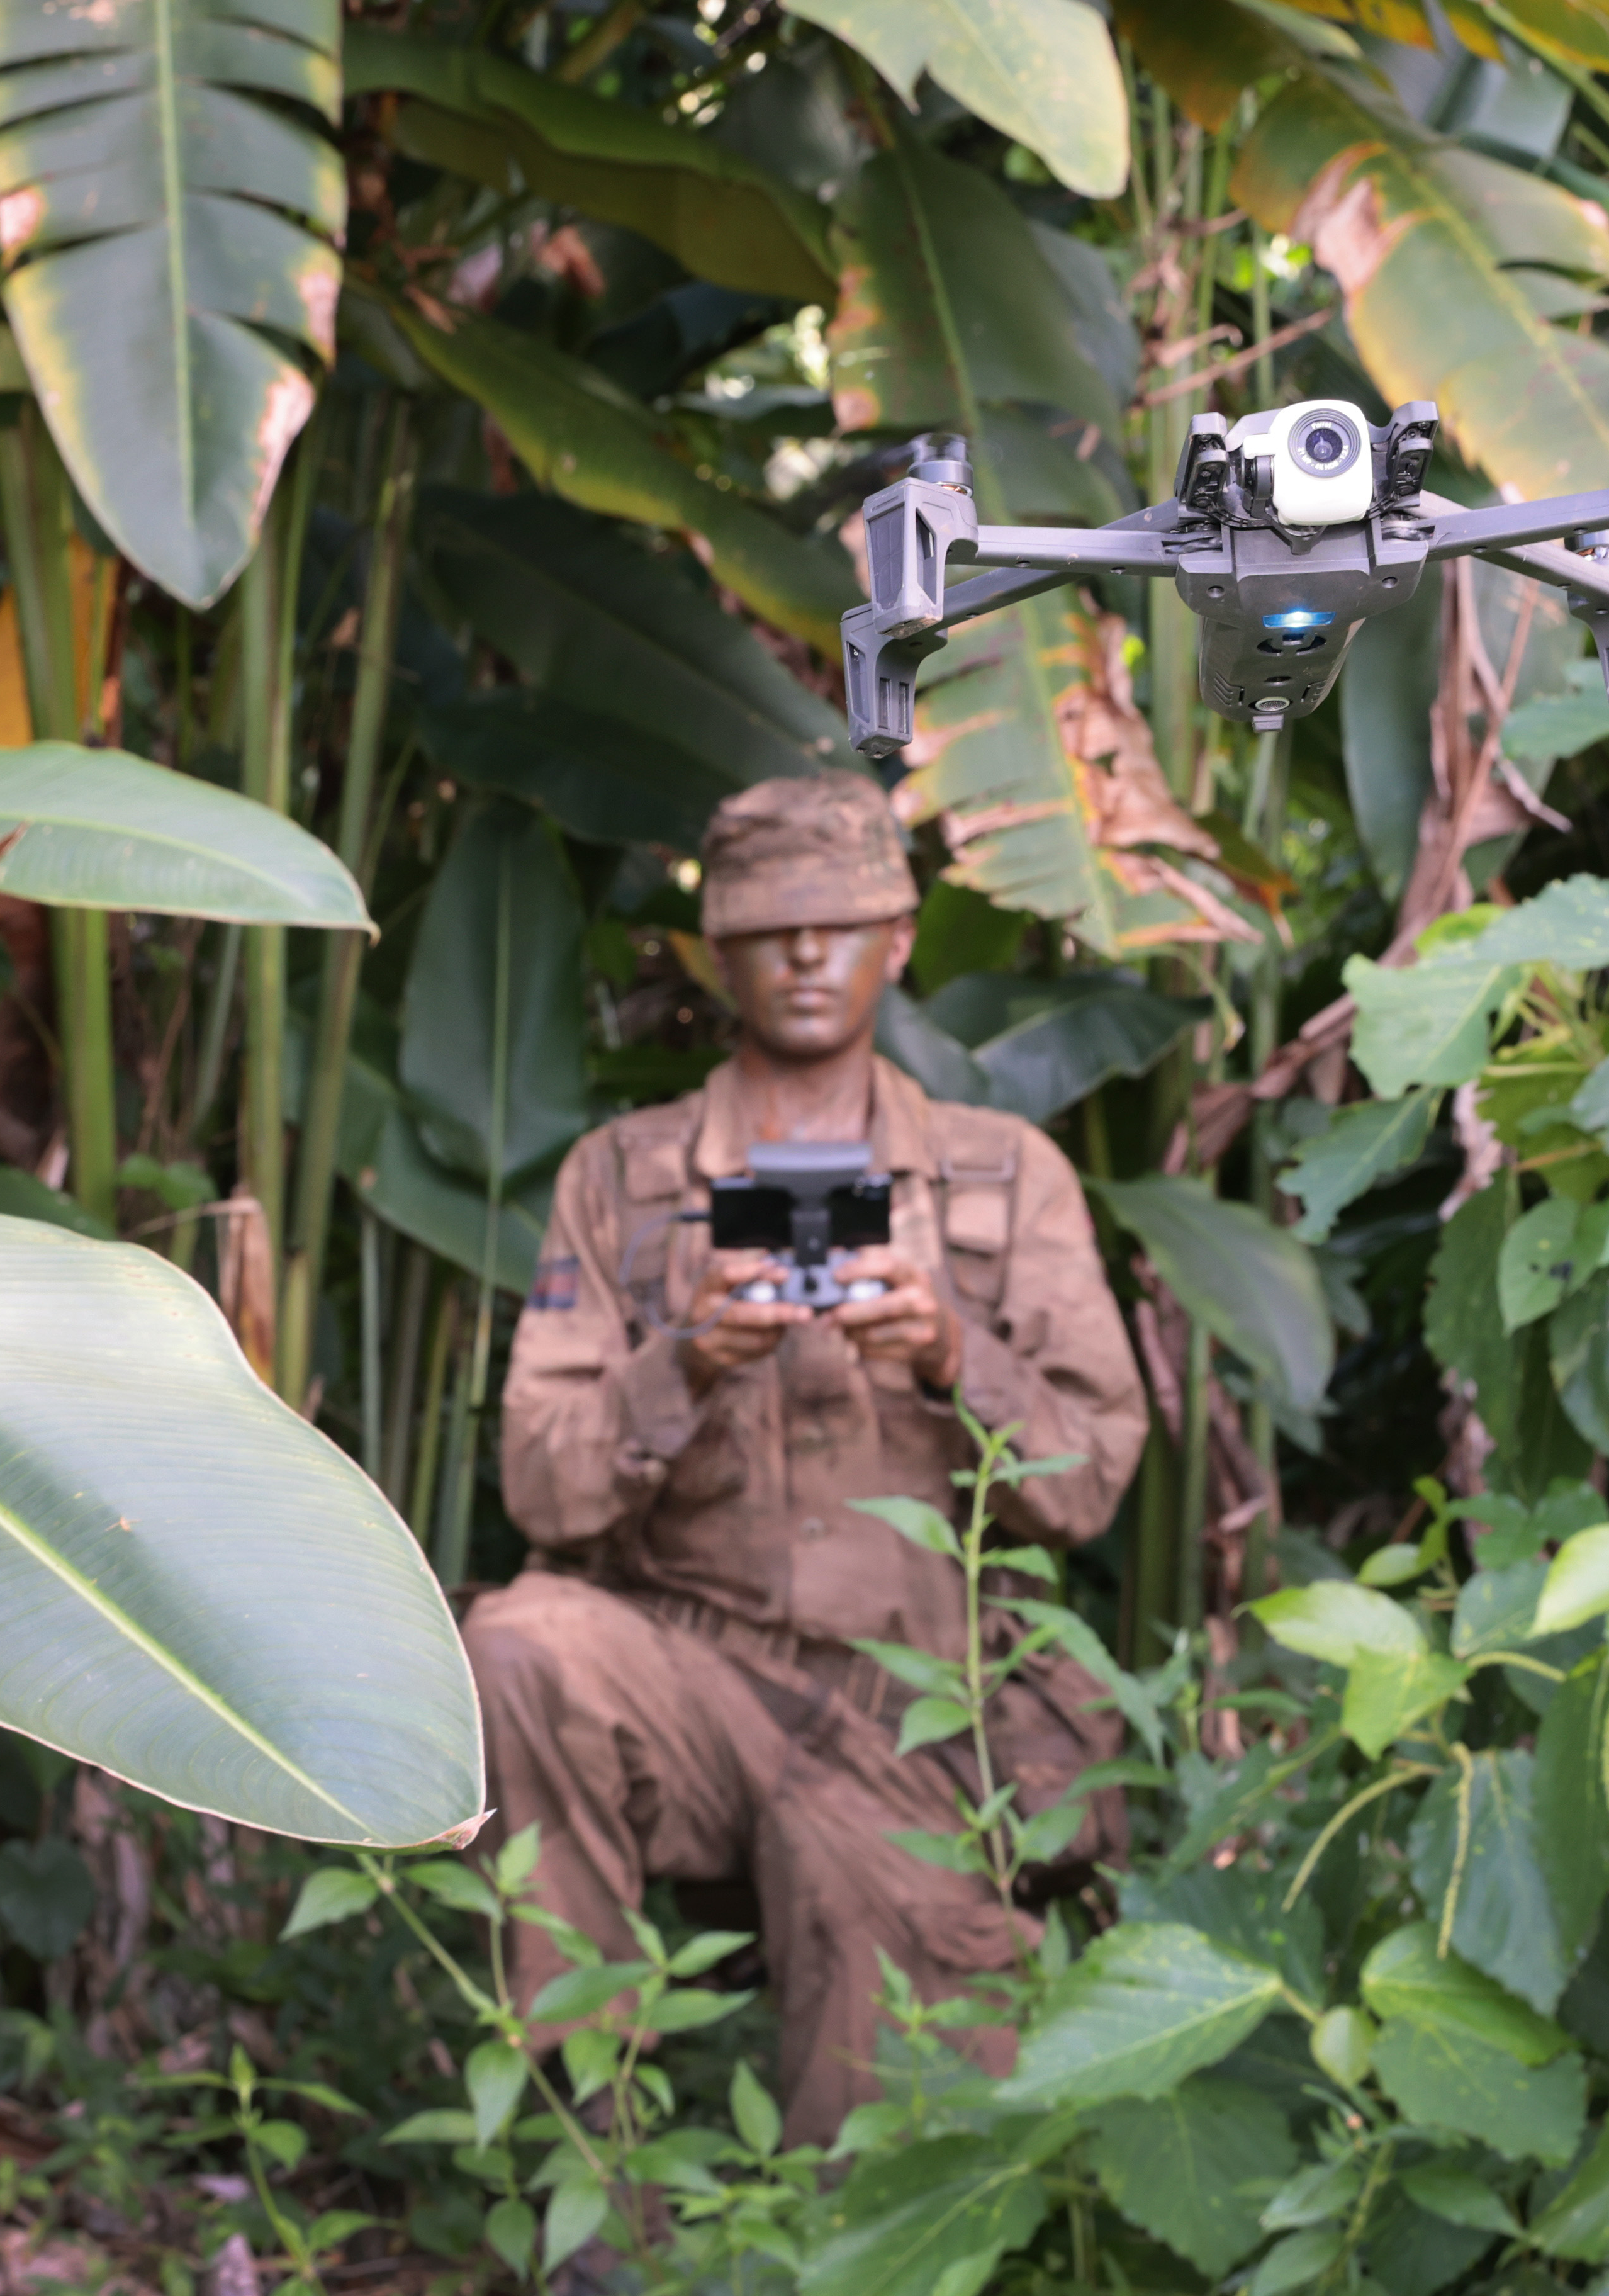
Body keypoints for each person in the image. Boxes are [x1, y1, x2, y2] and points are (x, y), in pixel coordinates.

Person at [473, 772, 1150, 2149]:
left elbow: (1090, 1481)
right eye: (768, 931)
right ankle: (594, 2188)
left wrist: (958, 1354)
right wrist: (688, 1361)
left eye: (836, 926)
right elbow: (539, 1482)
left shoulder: (1004, 1178)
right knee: (520, 1646)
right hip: (695, 1674)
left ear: (898, 942)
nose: (801, 957)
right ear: (716, 952)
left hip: (929, 1702)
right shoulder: (623, 1180)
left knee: (898, 2135)